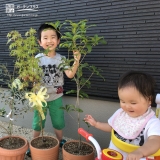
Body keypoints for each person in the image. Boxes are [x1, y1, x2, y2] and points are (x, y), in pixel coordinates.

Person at [26, 23, 81, 157]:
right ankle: (34, 142)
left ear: (58, 41)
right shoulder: (37, 59)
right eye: (45, 38)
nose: (49, 40)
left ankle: (60, 141)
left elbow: (70, 75)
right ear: (40, 42)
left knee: (58, 122)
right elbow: (31, 78)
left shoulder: (61, 59)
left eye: (52, 37)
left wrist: (76, 61)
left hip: (56, 97)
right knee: (38, 123)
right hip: (40, 98)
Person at [84, 71, 160, 160]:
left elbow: (155, 141)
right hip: (114, 155)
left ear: (149, 100)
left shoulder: (152, 122)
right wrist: (96, 123)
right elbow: (111, 127)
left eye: (133, 102)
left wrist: (140, 152)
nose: (127, 106)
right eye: (123, 101)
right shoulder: (121, 113)